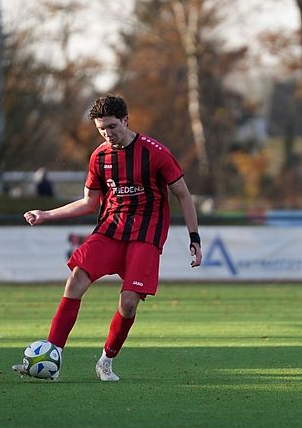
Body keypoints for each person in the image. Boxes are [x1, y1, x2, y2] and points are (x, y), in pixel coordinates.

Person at [13, 94, 203, 381]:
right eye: (101, 129)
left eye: (112, 127)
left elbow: (184, 196)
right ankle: (52, 355)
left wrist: (194, 238)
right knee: (76, 279)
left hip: (146, 234)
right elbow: (89, 203)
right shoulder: (99, 157)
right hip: (111, 229)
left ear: (125, 121)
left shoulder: (155, 153)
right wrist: (46, 214)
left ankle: (106, 361)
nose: (107, 134)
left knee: (128, 303)